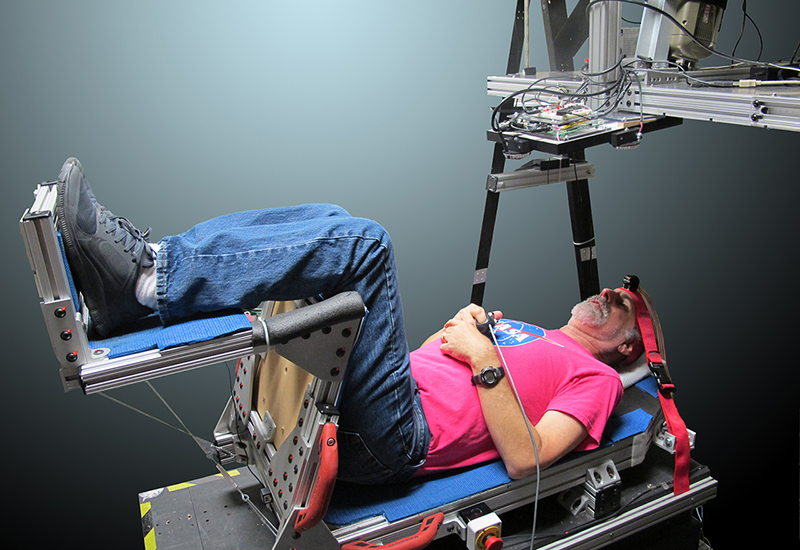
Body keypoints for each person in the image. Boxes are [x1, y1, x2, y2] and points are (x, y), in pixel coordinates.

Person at [54, 157, 641, 485]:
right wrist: (460, 333)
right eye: (614, 289)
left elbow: (527, 458)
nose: (611, 293)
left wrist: (485, 357)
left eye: (623, 305)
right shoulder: (535, 334)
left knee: (365, 246)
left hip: (401, 438)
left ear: (626, 347)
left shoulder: (598, 380)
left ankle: (147, 283)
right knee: (332, 219)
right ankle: (148, 276)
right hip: (395, 397)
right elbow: (443, 359)